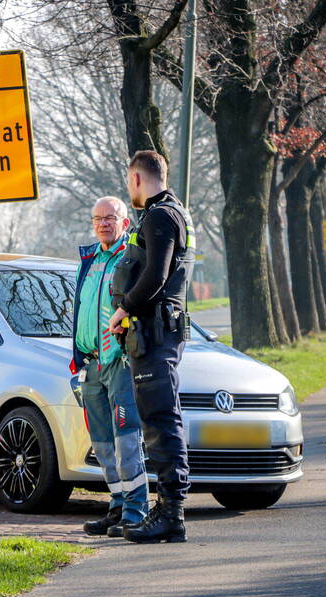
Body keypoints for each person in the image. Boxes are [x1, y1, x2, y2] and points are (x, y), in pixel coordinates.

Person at [107, 150, 195, 543]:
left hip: (156, 333)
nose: (130, 190)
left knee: (161, 421)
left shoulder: (160, 216)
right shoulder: (171, 212)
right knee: (159, 420)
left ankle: (171, 515)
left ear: (138, 179)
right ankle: (166, 511)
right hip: (155, 333)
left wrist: (123, 308)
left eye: (130, 182)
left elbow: (156, 275)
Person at [70, 196, 149, 537]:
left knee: (127, 441)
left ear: (124, 222)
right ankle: (117, 507)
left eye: (110, 217)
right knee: (102, 443)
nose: (103, 223)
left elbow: (142, 302)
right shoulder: (88, 260)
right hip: (91, 366)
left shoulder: (130, 259)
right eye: (98, 218)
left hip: (118, 362)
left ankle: (136, 511)